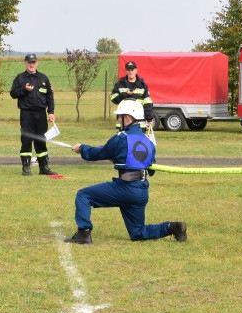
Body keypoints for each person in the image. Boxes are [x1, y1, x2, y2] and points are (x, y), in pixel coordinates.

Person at [65, 100, 186, 245]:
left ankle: (83, 233)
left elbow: (99, 153)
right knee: (137, 232)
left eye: (120, 116)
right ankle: (172, 227)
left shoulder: (121, 138)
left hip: (125, 187)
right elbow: (151, 171)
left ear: (128, 118)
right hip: (141, 191)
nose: (118, 120)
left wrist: (82, 148)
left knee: (83, 195)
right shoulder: (149, 142)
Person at [10, 53, 56, 176]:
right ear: (25, 63)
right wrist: (24, 89)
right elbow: (13, 93)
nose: (31, 64)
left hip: (41, 114)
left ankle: (44, 167)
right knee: (26, 140)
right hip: (26, 114)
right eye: (29, 62)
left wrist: (50, 112)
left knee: (41, 141)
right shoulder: (20, 78)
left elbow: (50, 96)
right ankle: (26, 167)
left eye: (33, 62)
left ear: (37, 63)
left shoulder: (43, 78)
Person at [110, 61, 155, 128]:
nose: (130, 72)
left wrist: (149, 119)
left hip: (139, 119)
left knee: (138, 138)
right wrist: (125, 95)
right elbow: (113, 99)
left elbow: (147, 103)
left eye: (132, 70)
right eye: (128, 70)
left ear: (136, 70)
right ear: (126, 71)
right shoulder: (120, 84)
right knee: (124, 138)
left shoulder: (142, 85)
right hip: (124, 120)